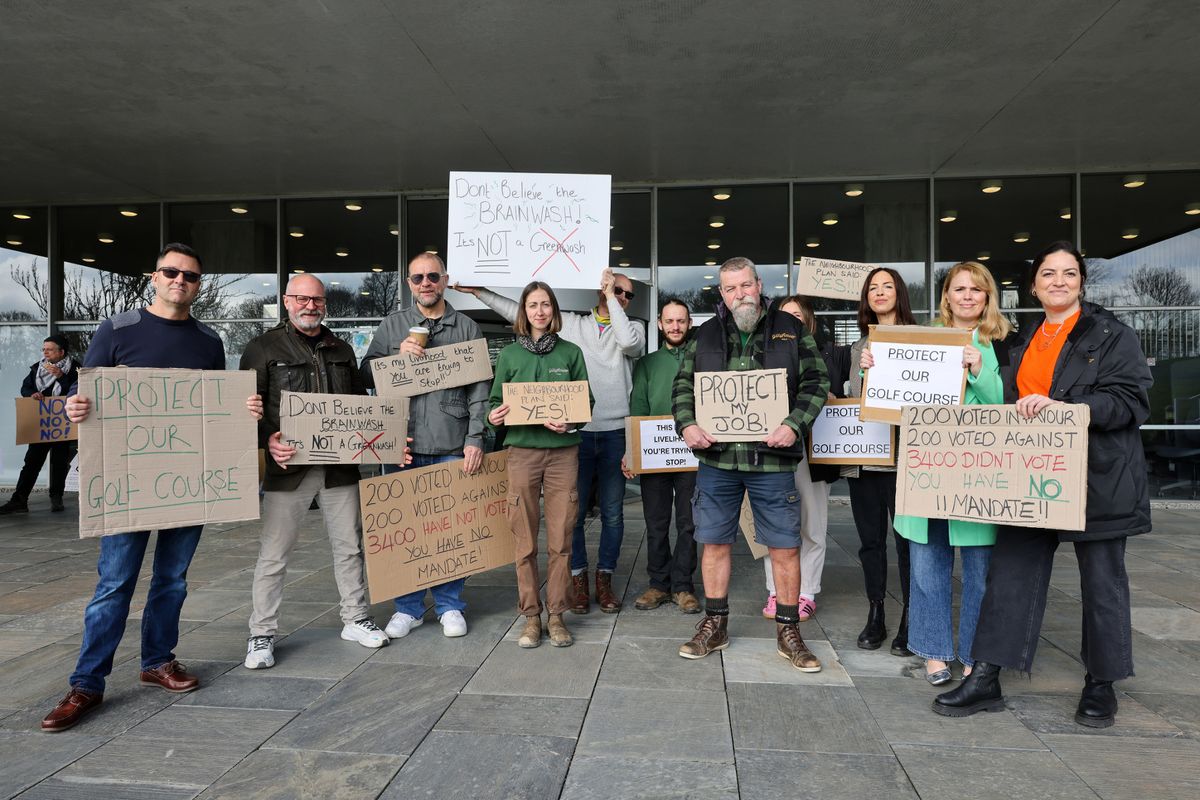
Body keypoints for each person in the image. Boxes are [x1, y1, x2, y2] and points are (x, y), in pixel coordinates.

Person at [41, 244, 264, 732]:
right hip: (129, 483)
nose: (180, 280)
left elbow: (215, 408)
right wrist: (74, 409)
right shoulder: (116, 330)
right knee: (114, 584)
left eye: (190, 275)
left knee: (173, 580)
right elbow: (86, 398)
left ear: (198, 285)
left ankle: (157, 660)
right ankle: (86, 684)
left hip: (189, 482)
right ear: (154, 277)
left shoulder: (208, 340)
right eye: (171, 272)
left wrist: (243, 412)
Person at [935, 241, 1152, 729]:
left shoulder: (1112, 334)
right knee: (1009, 577)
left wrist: (1072, 410)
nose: (1058, 281)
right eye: (1048, 274)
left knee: (1102, 585)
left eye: (1069, 274)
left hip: (1097, 481)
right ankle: (986, 676)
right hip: (1031, 479)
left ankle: (1101, 684)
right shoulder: (1024, 338)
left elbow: (1132, 402)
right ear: (1034, 285)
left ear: (1081, 282)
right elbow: (1004, 400)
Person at [672, 257, 830, 672]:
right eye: (730, 288)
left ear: (759, 285)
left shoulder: (790, 329)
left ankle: (788, 629)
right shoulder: (703, 334)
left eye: (745, 285)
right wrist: (687, 425)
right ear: (721, 293)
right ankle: (715, 624)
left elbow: (817, 381)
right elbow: (683, 386)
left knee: (784, 546)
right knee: (714, 542)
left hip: (773, 461)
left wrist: (795, 425)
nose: (739, 294)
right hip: (717, 460)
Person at [457, 268, 645, 613]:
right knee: (568, 517)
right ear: (598, 292)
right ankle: (576, 576)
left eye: (626, 294)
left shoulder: (634, 328)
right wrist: (480, 291)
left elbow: (629, 343)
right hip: (574, 437)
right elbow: (523, 310)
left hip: (615, 430)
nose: (621, 296)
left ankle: (604, 577)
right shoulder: (571, 326)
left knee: (614, 514)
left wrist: (611, 299)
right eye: (615, 290)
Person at [240, 274, 395, 670]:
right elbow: (242, 408)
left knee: (350, 547)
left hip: (339, 469)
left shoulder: (341, 348)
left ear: (325, 304)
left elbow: (360, 407)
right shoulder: (262, 348)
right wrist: (266, 438)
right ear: (287, 301)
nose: (311, 306)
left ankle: (355, 618)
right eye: (303, 299)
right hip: (288, 467)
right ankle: (262, 633)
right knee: (274, 554)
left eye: (318, 300)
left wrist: (383, 438)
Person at [889, 262, 1010, 684]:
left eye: (976, 289)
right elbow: (891, 395)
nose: (967, 296)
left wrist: (979, 369)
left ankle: (977, 652)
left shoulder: (1005, 343)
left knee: (979, 570)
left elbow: (1006, 406)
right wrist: (873, 367)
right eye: (959, 289)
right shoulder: (925, 338)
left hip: (978, 476)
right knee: (927, 566)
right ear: (947, 296)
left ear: (987, 296)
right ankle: (934, 652)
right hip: (929, 470)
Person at [360, 253, 490, 640]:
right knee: (405, 530)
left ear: (445, 280)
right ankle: (409, 608)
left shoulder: (467, 327)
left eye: (433, 275)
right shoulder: (392, 324)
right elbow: (365, 373)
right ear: (409, 282)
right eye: (418, 277)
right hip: (403, 442)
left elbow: (480, 389)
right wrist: (395, 358)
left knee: (449, 529)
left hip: (452, 440)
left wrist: (475, 438)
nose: (425, 282)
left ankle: (450, 605)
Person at [488, 281, 592, 648]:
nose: (540, 311)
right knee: (524, 540)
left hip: (564, 453)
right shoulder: (509, 356)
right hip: (522, 453)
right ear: (524, 311)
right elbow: (495, 401)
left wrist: (572, 421)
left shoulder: (571, 353)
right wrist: (495, 415)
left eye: (545, 304)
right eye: (533, 305)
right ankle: (531, 617)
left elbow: (586, 403)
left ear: (554, 310)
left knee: (562, 539)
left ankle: (557, 615)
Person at [759, 296, 846, 622]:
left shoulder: (828, 354)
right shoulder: (765, 354)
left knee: (812, 523)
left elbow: (842, 395)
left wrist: (833, 398)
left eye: (797, 315)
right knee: (773, 525)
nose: (790, 321)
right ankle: (775, 590)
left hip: (815, 451)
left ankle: (807, 592)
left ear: (807, 320)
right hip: (774, 451)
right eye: (785, 316)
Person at [849, 267, 916, 655]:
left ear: (899, 293)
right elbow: (857, 401)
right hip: (868, 458)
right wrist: (863, 371)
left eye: (887, 286)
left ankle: (910, 614)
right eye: (872, 288)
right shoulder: (860, 347)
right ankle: (876, 611)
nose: (879, 293)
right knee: (870, 542)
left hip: (907, 460)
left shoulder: (921, 340)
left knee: (907, 542)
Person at [625, 299, 700, 614]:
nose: (675, 327)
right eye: (669, 321)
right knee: (656, 522)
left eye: (680, 321)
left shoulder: (704, 359)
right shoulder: (646, 363)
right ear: (659, 323)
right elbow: (638, 408)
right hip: (655, 454)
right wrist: (631, 452)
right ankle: (658, 583)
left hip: (693, 453)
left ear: (689, 322)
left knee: (689, 523)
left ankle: (683, 586)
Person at [0, 335, 79, 514]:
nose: (45, 353)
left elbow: (79, 389)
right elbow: (25, 387)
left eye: (49, 350)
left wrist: (62, 377)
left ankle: (56, 498)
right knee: (32, 462)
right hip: (42, 423)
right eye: (44, 349)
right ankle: (19, 499)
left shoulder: (75, 369)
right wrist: (33, 394)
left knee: (59, 462)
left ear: (61, 352)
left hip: (61, 424)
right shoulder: (38, 367)